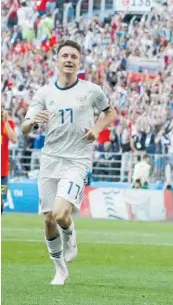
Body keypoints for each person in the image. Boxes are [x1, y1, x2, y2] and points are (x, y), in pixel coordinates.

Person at [21, 40, 117, 285]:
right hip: (50, 158)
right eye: (64, 55)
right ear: (57, 60)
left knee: (62, 214)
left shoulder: (91, 90)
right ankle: (60, 269)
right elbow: (23, 128)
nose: (69, 60)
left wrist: (97, 128)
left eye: (74, 56)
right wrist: (31, 123)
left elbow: (110, 113)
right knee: (48, 219)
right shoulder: (44, 93)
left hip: (77, 159)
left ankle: (70, 236)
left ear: (79, 62)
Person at [1, 107, 18, 213]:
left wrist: (5, 122)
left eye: (2, 107)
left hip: (2, 170)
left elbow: (14, 139)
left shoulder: (9, 122)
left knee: (1, 200)